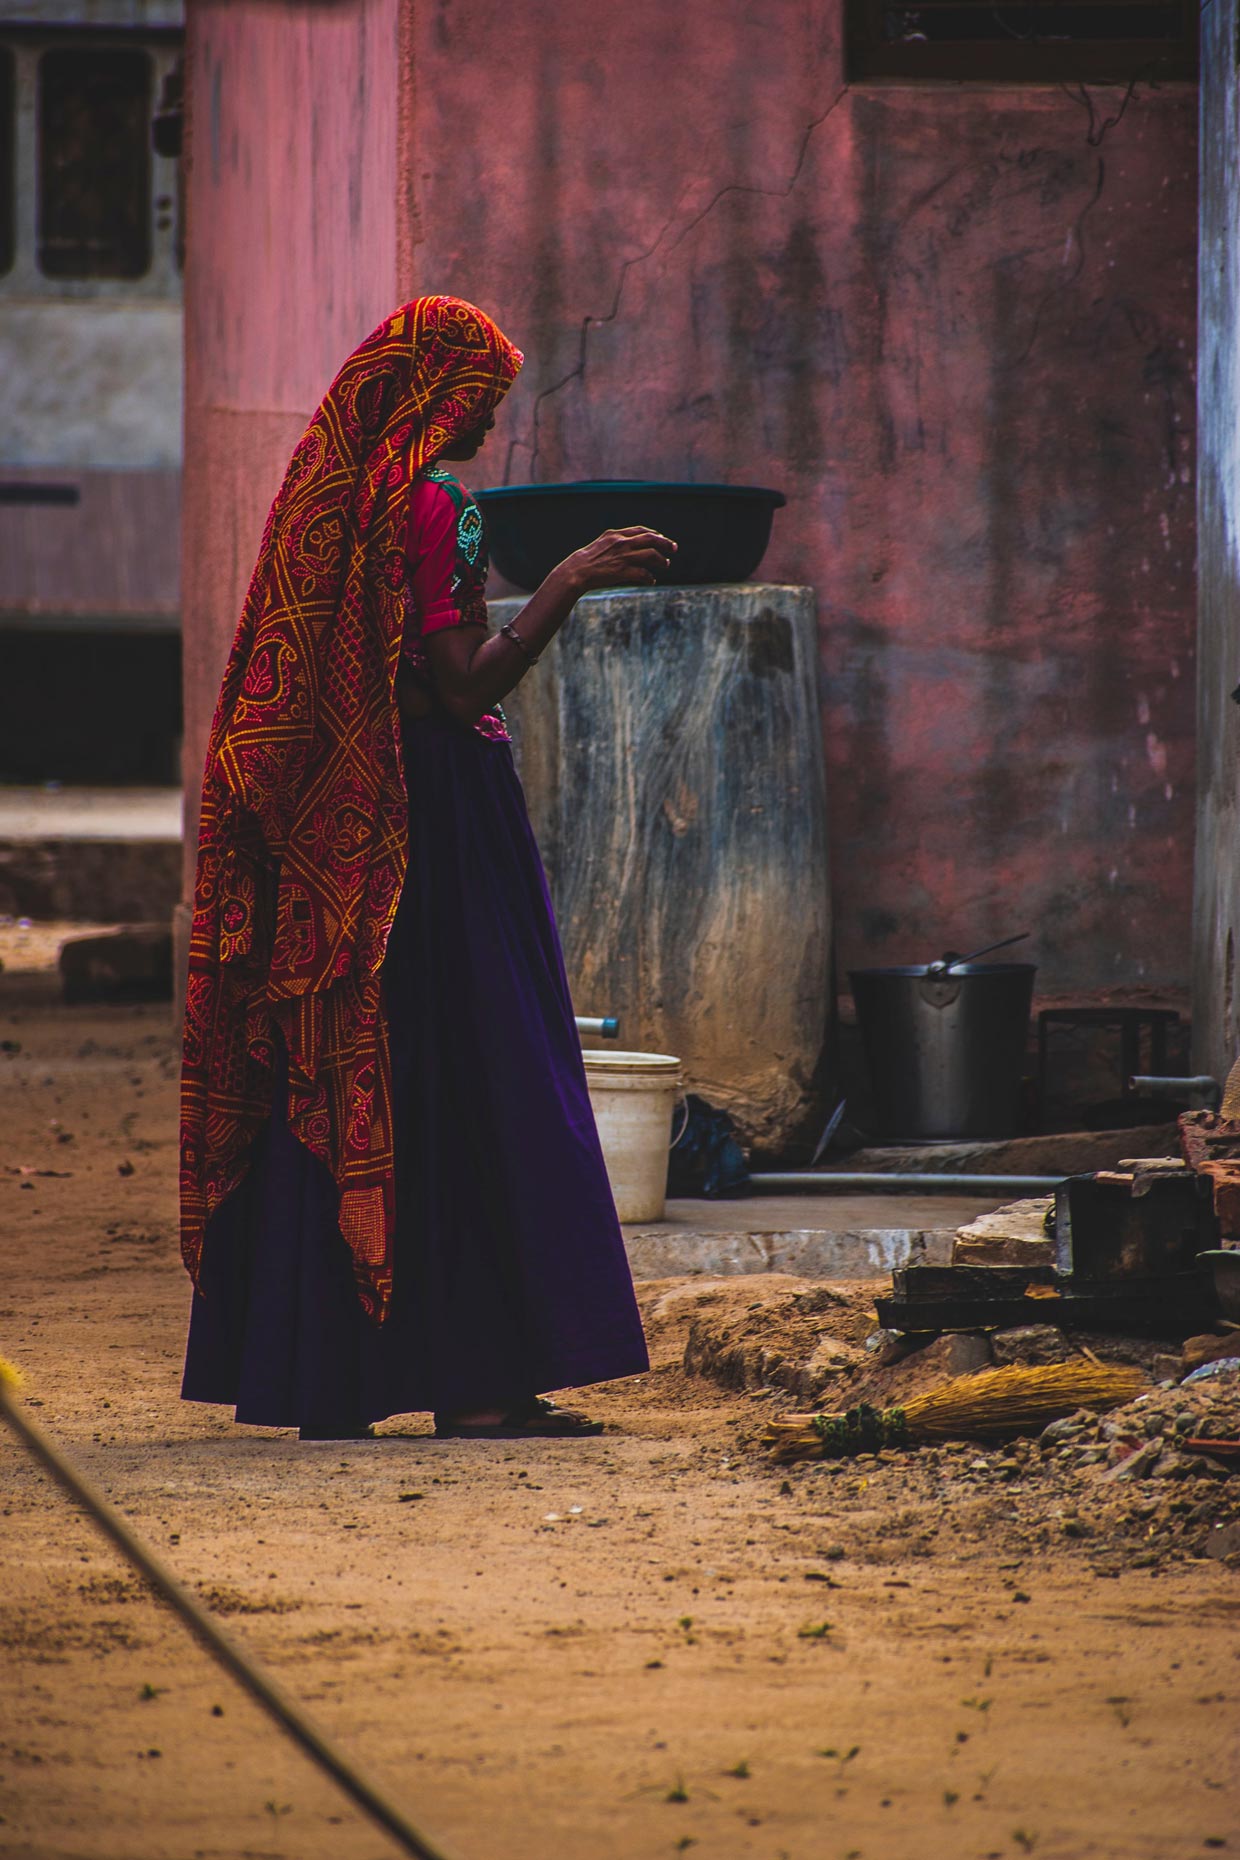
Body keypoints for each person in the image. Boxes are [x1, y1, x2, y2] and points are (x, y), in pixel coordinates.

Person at [179, 295, 676, 1440]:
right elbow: (459, 687)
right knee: (481, 1071)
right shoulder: (434, 502)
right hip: (433, 821)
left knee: (357, 1073)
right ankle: (486, 1383)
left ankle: (331, 1379)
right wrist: (572, 578)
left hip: (342, 836)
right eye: (484, 400)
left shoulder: (333, 497)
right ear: (440, 397)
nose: (489, 425)